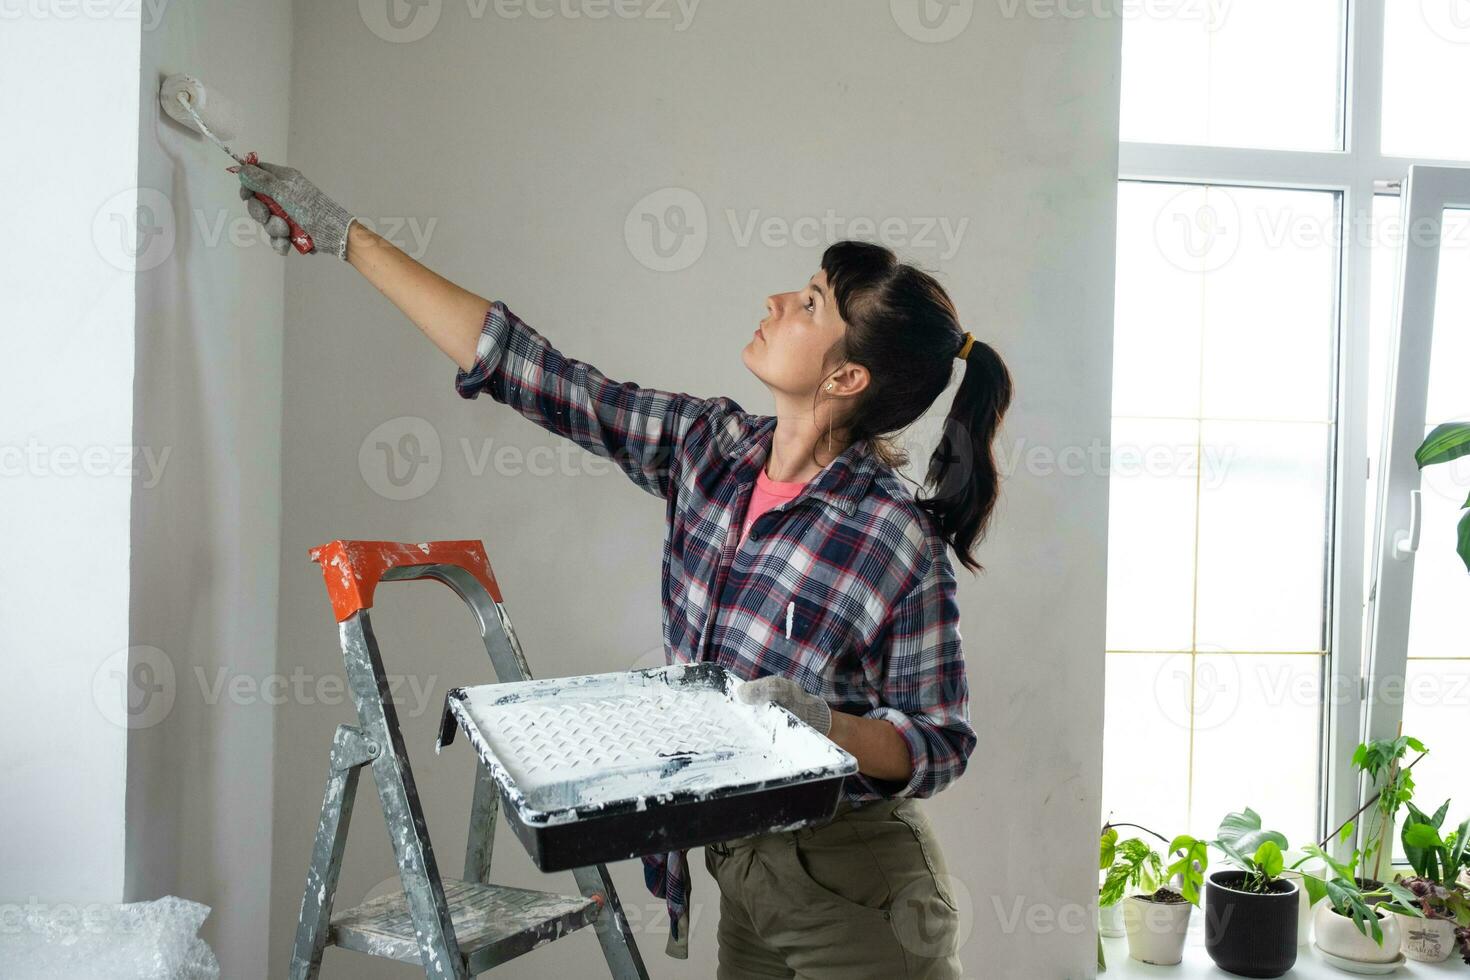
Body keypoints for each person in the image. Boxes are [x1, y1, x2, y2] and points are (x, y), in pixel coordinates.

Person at [238, 162, 1014, 979]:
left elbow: (940, 740)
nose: (777, 303)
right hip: (745, 874)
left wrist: (825, 727)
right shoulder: (708, 449)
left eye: (810, 303)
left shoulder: (893, 536)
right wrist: (343, 236)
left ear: (846, 377)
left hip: (860, 892)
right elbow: (536, 373)